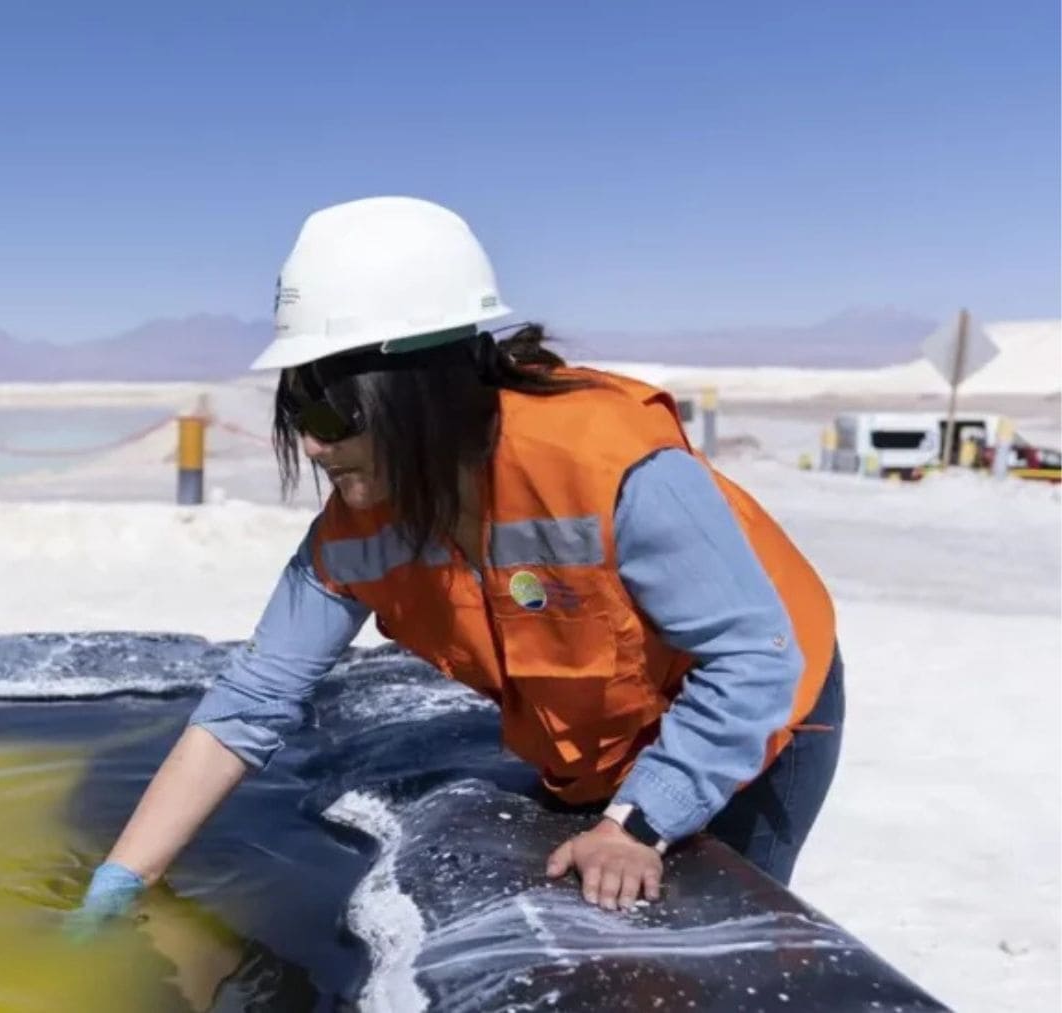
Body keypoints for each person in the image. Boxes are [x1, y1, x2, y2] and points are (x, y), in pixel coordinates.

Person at [69, 196, 843, 933]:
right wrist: (121, 880)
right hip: (604, 734)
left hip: (763, 709)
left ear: (421, 386)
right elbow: (250, 703)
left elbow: (751, 659)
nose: (311, 443)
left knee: (690, 945)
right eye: (297, 409)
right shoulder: (355, 530)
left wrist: (637, 821)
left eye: (329, 410)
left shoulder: (609, 465)